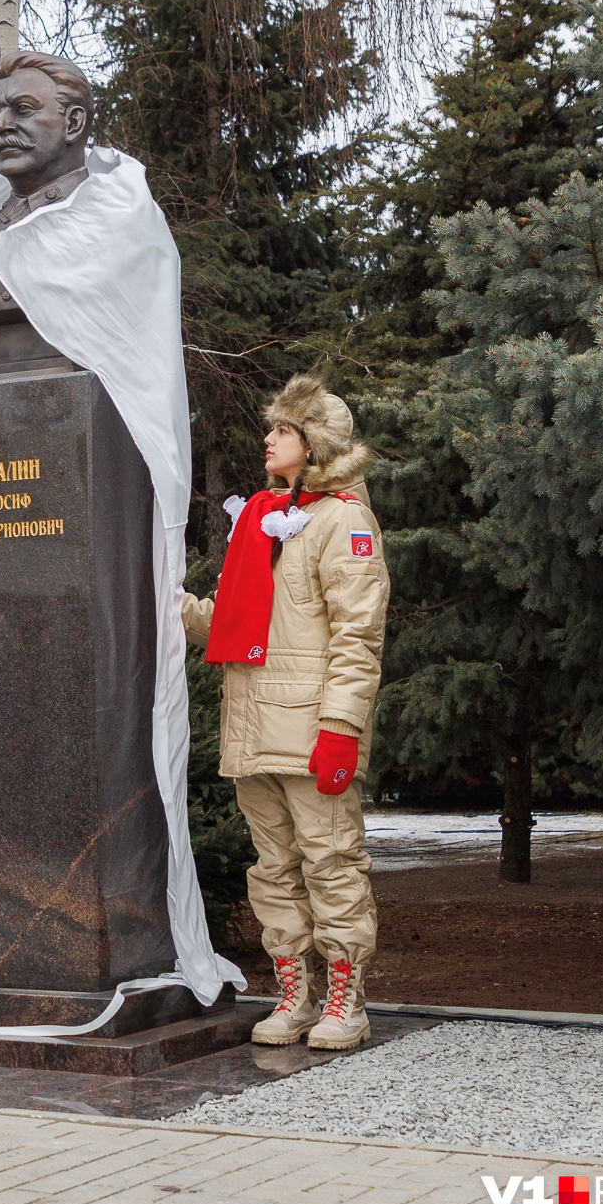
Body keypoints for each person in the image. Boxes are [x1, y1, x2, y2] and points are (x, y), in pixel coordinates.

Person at [182, 375, 388, 1051]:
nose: (267, 438)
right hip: (252, 726)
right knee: (274, 868)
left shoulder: (344, 520)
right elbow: (235, 623)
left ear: (314, 442)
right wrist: (173, 603)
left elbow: (358, 639)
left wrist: (341, 728)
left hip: (310, 729)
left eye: (283, 429)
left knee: (330, 862)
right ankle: (294, 992)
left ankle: (344, 998)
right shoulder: (262, 518)